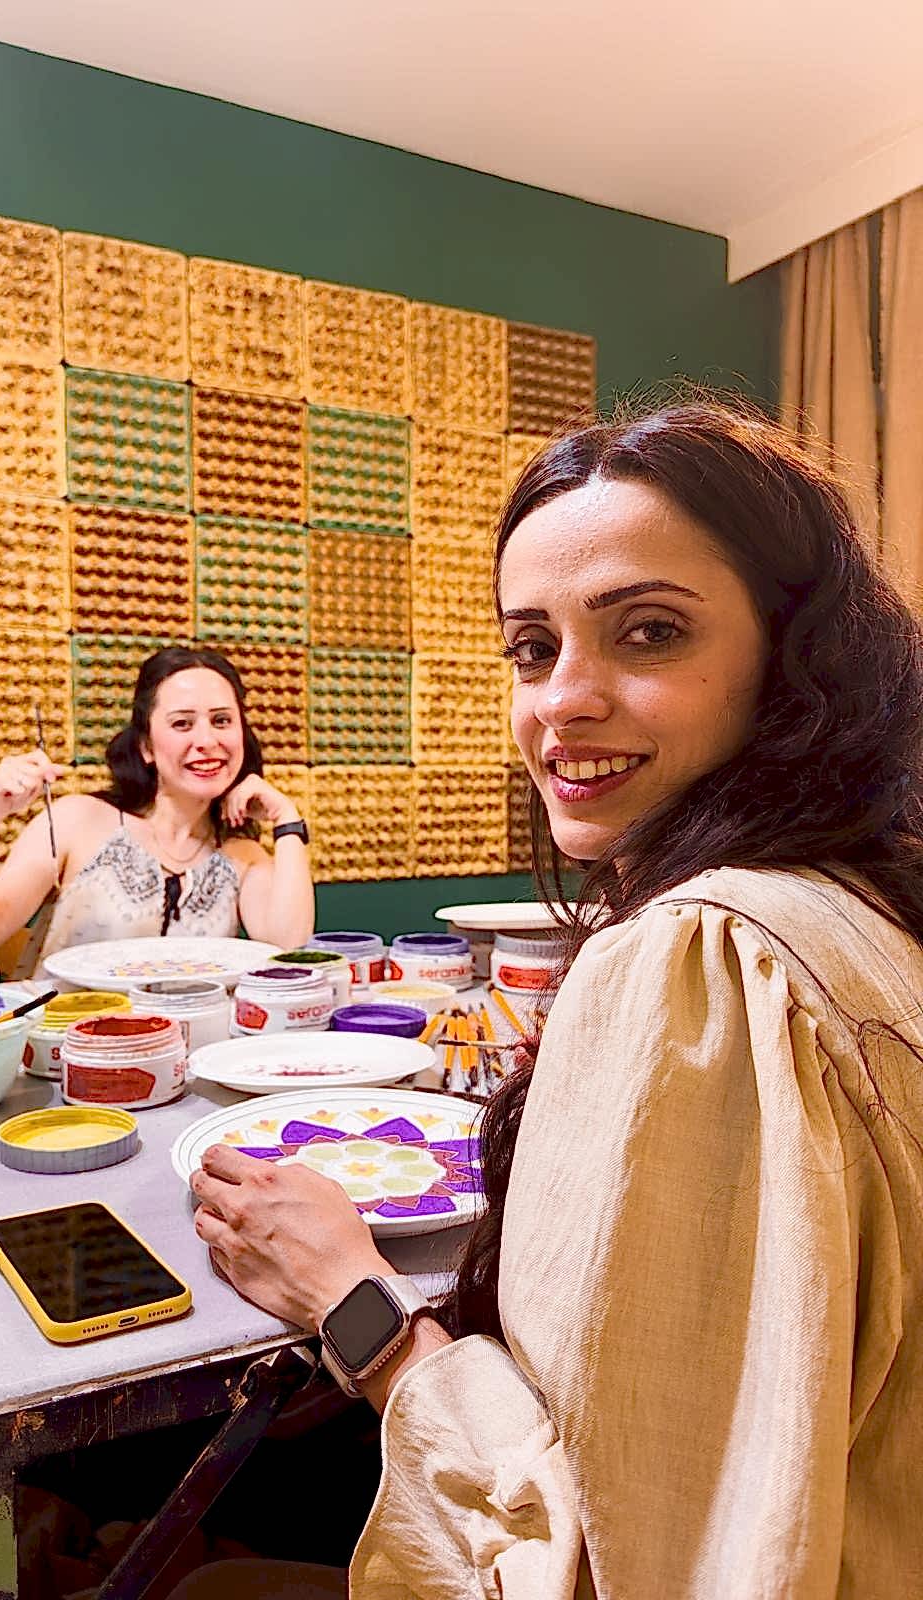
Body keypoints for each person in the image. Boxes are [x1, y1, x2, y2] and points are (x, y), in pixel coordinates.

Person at [185, 402, 923, 1596]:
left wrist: (355, 1301)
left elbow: (603, 1561)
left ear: (795, 663)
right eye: (532, 648)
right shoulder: (862, 902)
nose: (561, 701)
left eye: (649, 632)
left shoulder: (707, 961)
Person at [0, 646, 314, 962]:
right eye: (182, 724)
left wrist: (287, 819)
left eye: (222, 721)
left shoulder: (242, 856)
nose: (207, 741)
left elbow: (289, 946)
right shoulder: (76, 821)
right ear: (146, 746)